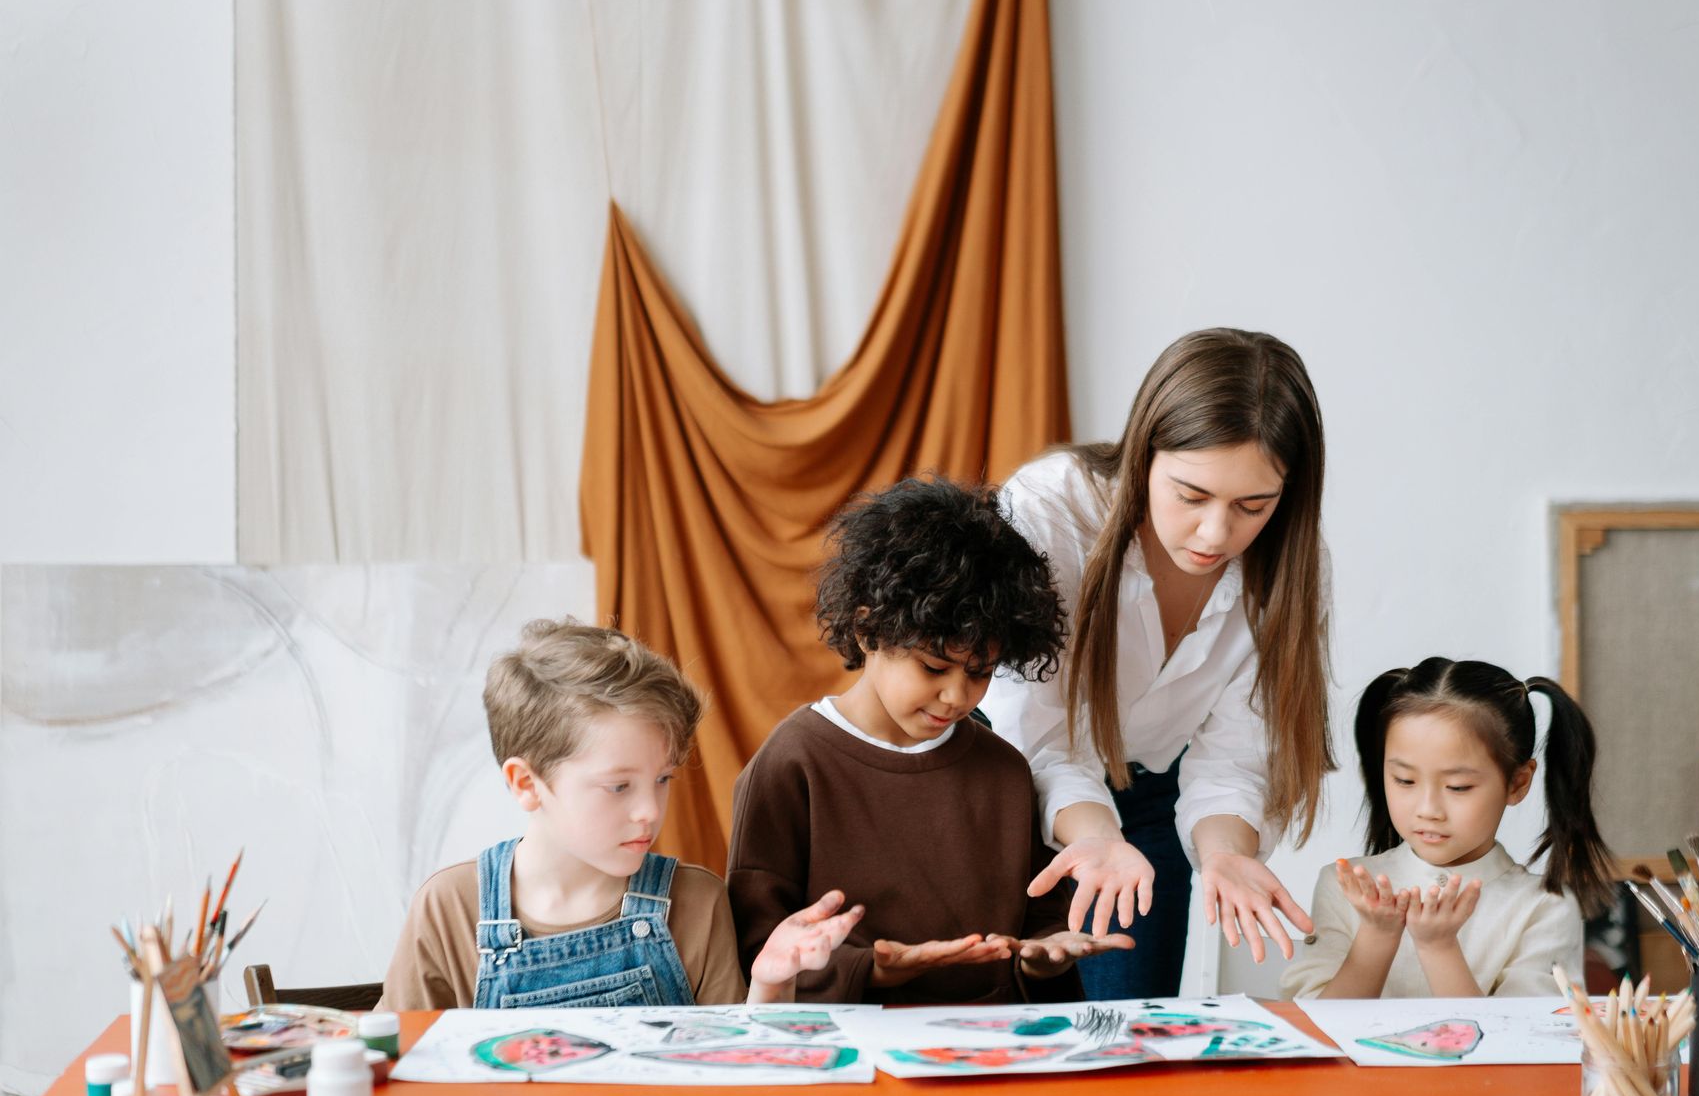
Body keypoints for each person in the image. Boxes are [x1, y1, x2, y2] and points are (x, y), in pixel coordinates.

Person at [978, 328, 1334, 998]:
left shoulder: (1287, 570)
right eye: (1191, 496)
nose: (1216, 535)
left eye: (1252, 506)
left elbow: (1233, 757)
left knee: (1130, 1040)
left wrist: (1226, 854)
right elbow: (1037, 732)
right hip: (1000, 784)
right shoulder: (1051, 510)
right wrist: (1093, 833)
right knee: (998, 1033)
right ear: (1144, 455)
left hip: (1149, 806)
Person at [727, 476, 1133, 1004]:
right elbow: (758, 946)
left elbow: (1039, 919)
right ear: (868, 631)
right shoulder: (791, 764)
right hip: (854, 1056)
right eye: (935, 666)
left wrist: (1043, 956)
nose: (956, 696)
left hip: (994, 1052)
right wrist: (872, 972)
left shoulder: (1006, 770)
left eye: (981, 672)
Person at [380, 618, 859, 1010]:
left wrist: (771, 987)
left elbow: (735, 1084)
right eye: (618, 787)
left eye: (663, 779)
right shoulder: (449, 908)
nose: (649, 811)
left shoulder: (697, 902)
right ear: (526, 784)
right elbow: (401, 1070)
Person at [1276, 657, 1615, 999]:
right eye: (1404, 780)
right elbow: (1316, 1029)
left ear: (1517, 782)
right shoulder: (1343, 886)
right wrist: (1376, 937)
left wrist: (1439, 949)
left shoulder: (1543, 908)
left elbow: (1517, 1044)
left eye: (1458, 787)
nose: (1428, 810)